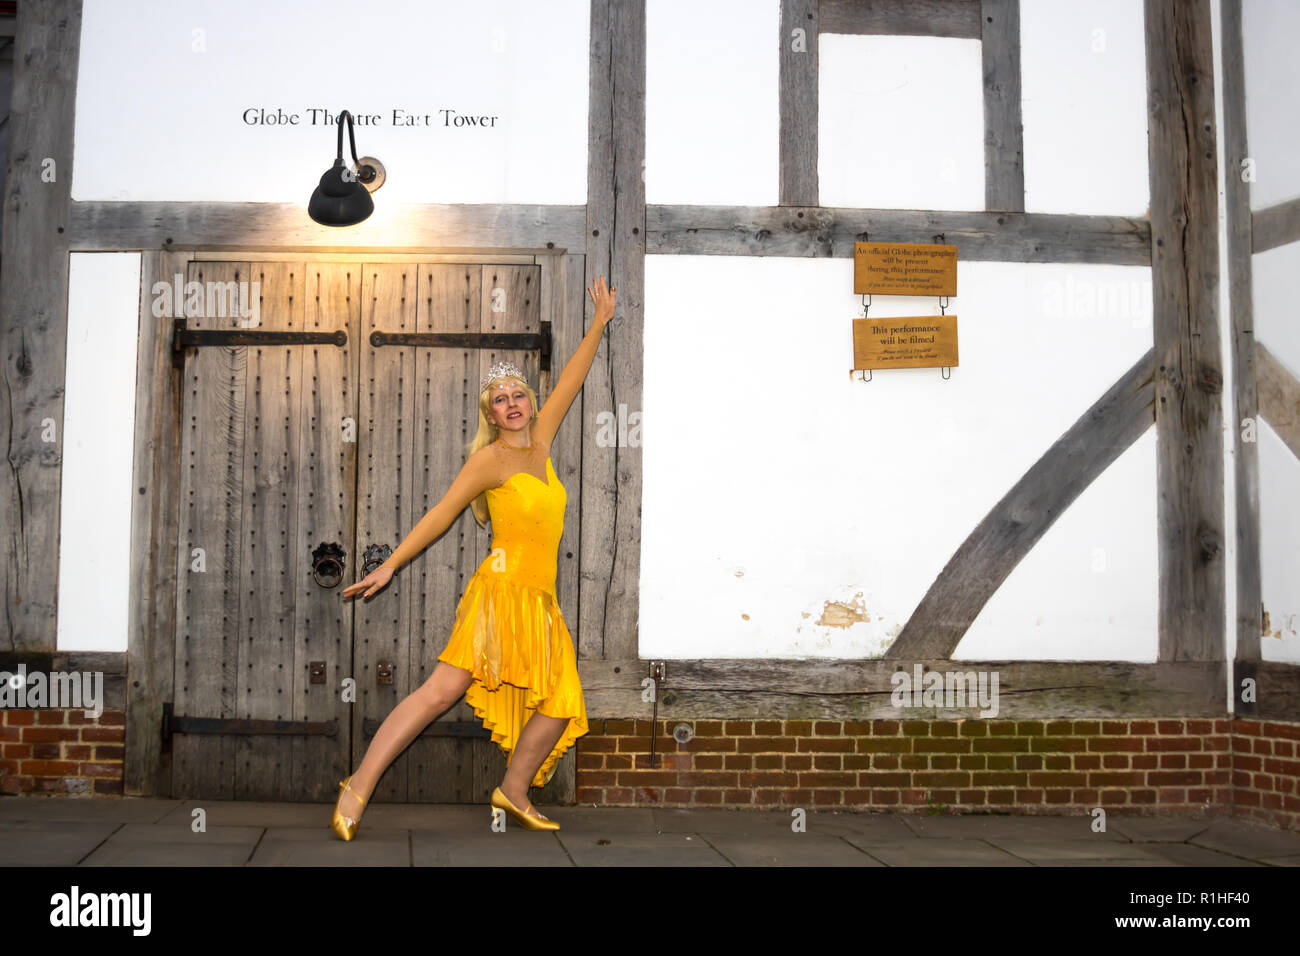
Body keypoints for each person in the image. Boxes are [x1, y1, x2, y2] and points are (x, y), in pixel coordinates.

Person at [329, 275, 616, 839]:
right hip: (499, 594)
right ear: (491, 413)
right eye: (500, 401)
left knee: (561, 700)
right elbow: (441, 514)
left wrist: (600, 324)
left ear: (530, 403)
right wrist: (391, 564)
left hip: (540, 602)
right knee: (439, 692)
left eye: (518, 396)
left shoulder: (543, 441)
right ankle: (358, 784)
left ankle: (512, 792)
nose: (512, 405)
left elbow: (573, 380)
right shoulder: (489, 462)